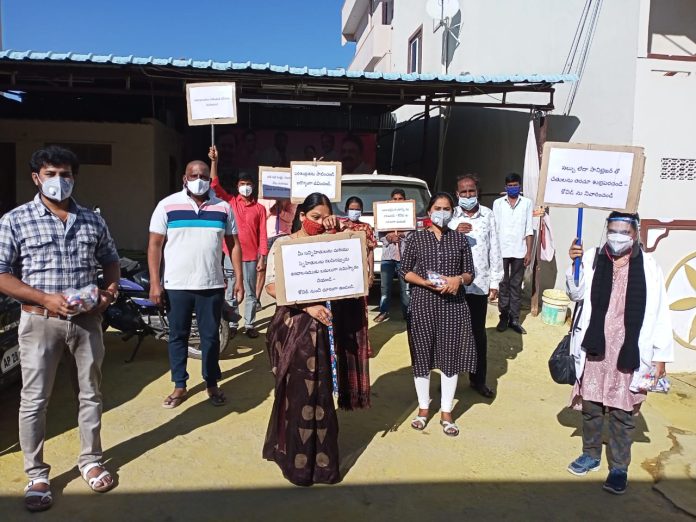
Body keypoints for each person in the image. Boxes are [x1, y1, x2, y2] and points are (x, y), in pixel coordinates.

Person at [0, 146, 120, 511]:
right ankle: (37, 474)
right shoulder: (15, 220)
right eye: (50, 174)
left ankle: (91, 460)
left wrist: (110, 292)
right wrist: (45, 298)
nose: (58, 181)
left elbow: (110, 259)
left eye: (65, 174)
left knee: (91, 394)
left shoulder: (92, 220)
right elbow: (2, 274)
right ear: (36, 178)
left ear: (74, 177)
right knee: (35, 400)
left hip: (86, 322)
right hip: (40, 321)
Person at [263, 192, 371, 486]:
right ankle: (297, 464)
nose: (319, 223)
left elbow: (355, 273)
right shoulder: (284, 245)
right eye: (314, 217)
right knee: (298, 394)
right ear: (300, 216)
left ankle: (322, 465)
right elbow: (272, 286)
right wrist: (306, 304)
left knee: (322, 394)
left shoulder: (331, 241)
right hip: (295, 328)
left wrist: (336, 232)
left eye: (325, 217)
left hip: (325, 331)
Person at [565, 212, 673, 495]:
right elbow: (575, 293)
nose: (617, 236)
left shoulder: (649, 267)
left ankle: (619, 468)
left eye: (624, 231)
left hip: (629, 353)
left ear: (635, 234)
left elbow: (661, 313)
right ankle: (590, 455)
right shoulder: (592, 257)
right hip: (596, 349)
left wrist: (661, 355)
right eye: (612, 230)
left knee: (623, 413)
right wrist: (573, 263)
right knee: (591, 408)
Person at [148, 160, 244, 409]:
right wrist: (155, 283)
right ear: (184, 178)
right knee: (177, 336)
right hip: (177, 285)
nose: (199, 179)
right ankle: (180, 385)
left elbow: (233, 245)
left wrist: (240, 280)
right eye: (194, 175)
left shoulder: (223, 207)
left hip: (211, 284)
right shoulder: (166, 205)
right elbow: (155, 245)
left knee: (210, 338)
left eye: (203, 175)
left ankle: (212, 382)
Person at [401, 192, 476, 437]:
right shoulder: (415, 239)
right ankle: (424, 408)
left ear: (452, 212)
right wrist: (424, 283)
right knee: (422, 354)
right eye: (437, 207)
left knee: (449, 356)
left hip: (453, 305)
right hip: (423, 303)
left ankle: (446, 412)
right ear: (429, 210)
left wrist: (457, 280)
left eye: (446, 208)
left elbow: (469, 274)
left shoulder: (460, 241)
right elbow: (405, 271)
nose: (441, 212)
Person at [448, 174, 503, 398]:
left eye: (471, 191)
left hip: (478, 285)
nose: (468, 195)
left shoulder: (488, 215)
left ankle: (477, 379)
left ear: (477, 192)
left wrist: (495, 281)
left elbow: (495, 249)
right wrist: (453, 233)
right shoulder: (449, 215)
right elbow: (438, 243)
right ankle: (448, 379)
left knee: (477, 334)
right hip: (453, 284)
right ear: (457, 194)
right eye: (464, 192)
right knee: (451, 333)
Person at [209, 147, 268, 338]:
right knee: (231, 291)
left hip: (251, 257)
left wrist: (262, 257)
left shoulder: (259, 208)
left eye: (249, 184)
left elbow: (262, 234)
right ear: (237, 186)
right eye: (243, 183)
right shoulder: (230, 202)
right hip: (230, 255)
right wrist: (214, 162)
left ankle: (249, 324)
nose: (246, 187)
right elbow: (214, 185)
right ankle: (232, 324)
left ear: (253, 187)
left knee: (250, 293)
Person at [492, 172, 533, 334]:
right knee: (503, 284)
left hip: (519, 250)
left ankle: (514, 319)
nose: (513, 188)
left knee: (516, 285)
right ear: (505, 187)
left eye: (515, 185)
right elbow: (494, 228)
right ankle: (503, 317)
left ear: (520, 186)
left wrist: (529, 251)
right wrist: (492, 251)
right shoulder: (498, 203)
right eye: (510, 186)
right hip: (501, 251)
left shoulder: (527, 203)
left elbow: (529, 228)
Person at [375, 188, 411, 323]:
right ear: (390, 200)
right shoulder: (384, 214)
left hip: (404, 257)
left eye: (400, 198)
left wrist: (402, 235)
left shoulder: (409, 214)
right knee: (385, 287)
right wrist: (389, 237)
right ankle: (383, 311)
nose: (397, 201)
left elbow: (414, 235)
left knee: (405, 288)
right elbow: (378, 235)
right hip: (387, 257)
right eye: (394, 199)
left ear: (405, 200)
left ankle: (407, 314)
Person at [256, 197, 297, 311]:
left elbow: (290, 218)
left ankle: (283, 299)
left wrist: (281, 210)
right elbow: (260, 216)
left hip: (284, 236)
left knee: (283, 270)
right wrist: (272, 208)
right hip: (267, 236)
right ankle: (256, 299)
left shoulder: (291, 199)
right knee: (261, 269)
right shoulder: (263, 198)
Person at [339, 196, 377, 287]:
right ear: (346, 210)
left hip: (361, 270)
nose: (354, 212)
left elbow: (370, 253)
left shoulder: (366, 227)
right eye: (351, 209)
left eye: (357, 209)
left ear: (361, 211)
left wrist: (371, 274)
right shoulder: (339, 227)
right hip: (342, 270)